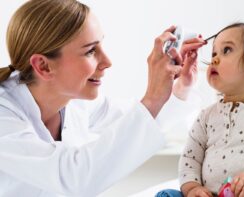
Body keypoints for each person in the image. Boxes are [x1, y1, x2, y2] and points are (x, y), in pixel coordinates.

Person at [0, 0, 207, 196]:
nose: (107, 62)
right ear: (43, 66)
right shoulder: (4, 116)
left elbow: (139, 123)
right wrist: (153, 97)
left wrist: (181, 88)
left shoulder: (74, 101)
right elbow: (75, 178)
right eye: (90, 51)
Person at [156, 22, 244, 197]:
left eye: (226, 50)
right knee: (166, 195)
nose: (214, 59)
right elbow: (190, 158)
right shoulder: (206, 117)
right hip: (211, 194)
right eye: (213, 53)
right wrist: (192, 188)